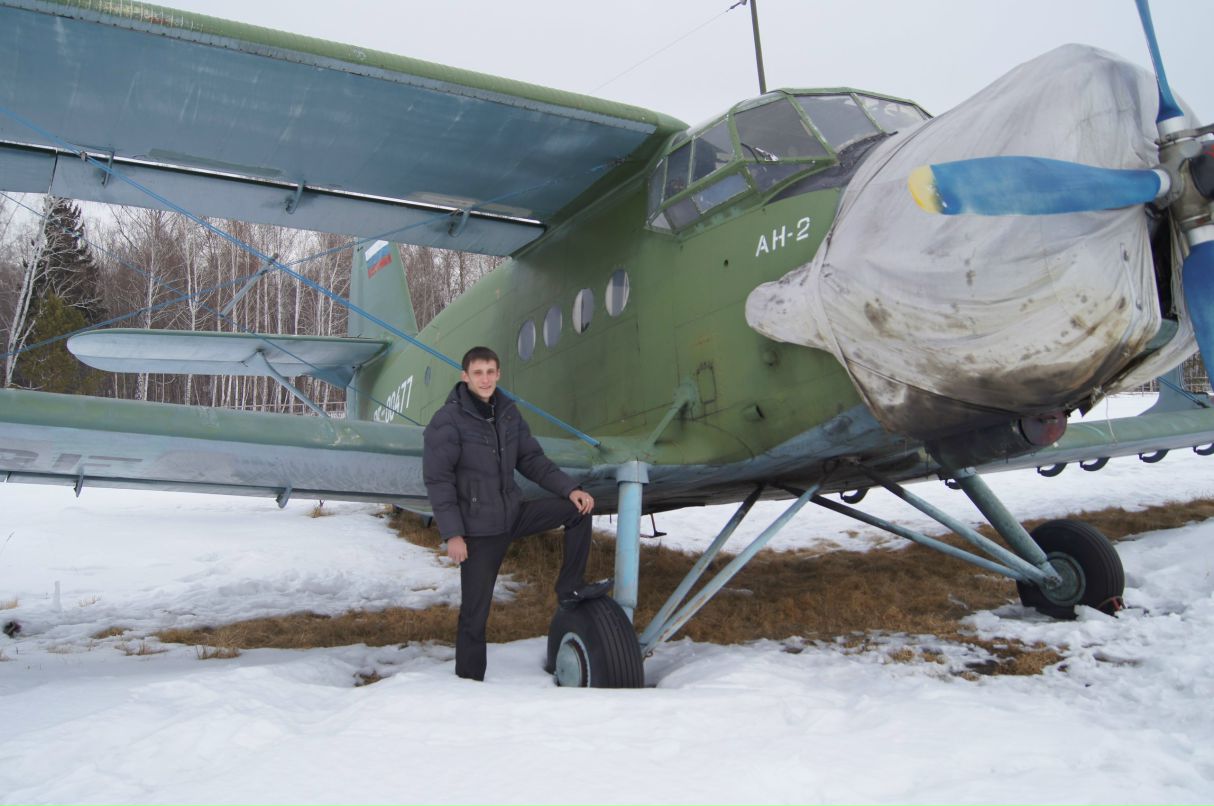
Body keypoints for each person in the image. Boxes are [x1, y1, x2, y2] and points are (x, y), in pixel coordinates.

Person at [422, 346, 610, 681]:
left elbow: (532, 460)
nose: (485, 379)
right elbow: (438, 480)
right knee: (474, 617)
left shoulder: (507, 412)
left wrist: (570, 489)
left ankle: (570, 588)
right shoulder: (448, 420)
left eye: (490, 372)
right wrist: (453, 534)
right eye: (477, 373)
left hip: (512, 514)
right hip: (478, 531)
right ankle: (468, 682)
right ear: (465, 377)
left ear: (498, 375)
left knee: (576, 511)